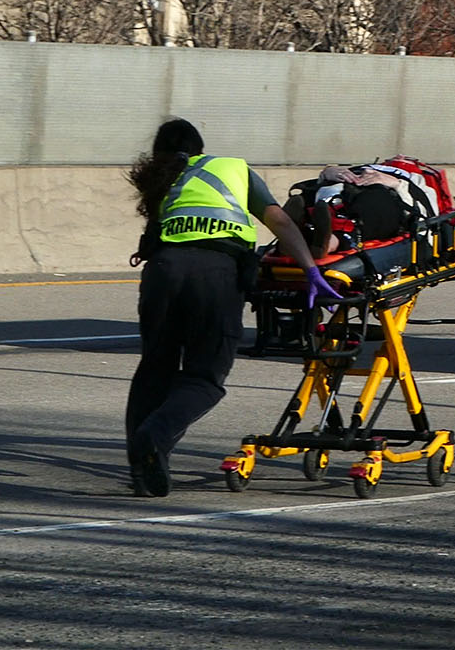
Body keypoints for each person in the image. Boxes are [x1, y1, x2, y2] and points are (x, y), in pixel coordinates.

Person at [123, 118, 338, 497]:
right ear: (200, 146)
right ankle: (153, 437)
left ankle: (144, 466)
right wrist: (309, 267)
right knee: (205, 377)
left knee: (154, 369)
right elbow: (277, 220)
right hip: (215, 273)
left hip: (162, 272)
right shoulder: (232, 168)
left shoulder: (165, 177)